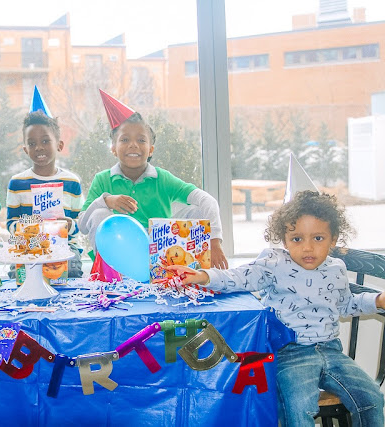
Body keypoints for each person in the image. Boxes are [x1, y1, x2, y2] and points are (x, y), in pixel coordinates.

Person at [168, 190, 385, 426]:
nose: (308, 248)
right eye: (297, 239)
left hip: (331, 350)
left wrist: (377, 300)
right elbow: (239, 277)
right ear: (284, 240)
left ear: (333, 239)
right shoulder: (274, 263)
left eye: (318, 238)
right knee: (299, 406)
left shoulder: (337, 268)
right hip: (290, 353)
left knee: (372, 397)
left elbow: (345, 304)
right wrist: (204, 276)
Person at [79, 90, 228, 268]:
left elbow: (207, 201)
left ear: (151, 150)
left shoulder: (162, 178)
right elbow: (83, 225)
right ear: (113, 148)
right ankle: (106, 270)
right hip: (121, 257)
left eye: (141, 140)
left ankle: (193, 271)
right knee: (98, 213)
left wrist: (214, 240)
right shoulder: (103, 179)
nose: (133, 145)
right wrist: (106, 201)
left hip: (162, 255)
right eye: (124, 140)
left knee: (197, 210)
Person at [6, 109, 84, 278]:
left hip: (64, 247)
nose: (39, 147)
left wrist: (69, 225)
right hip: (29, 247)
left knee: (71, 269)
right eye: (32, 143)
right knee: (18, 273)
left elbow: (81, 222)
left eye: (45, 141)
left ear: (59, 145)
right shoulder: (17, 183)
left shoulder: (71, 182)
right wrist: (27, 228)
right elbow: (11, 223)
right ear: (25, 149)